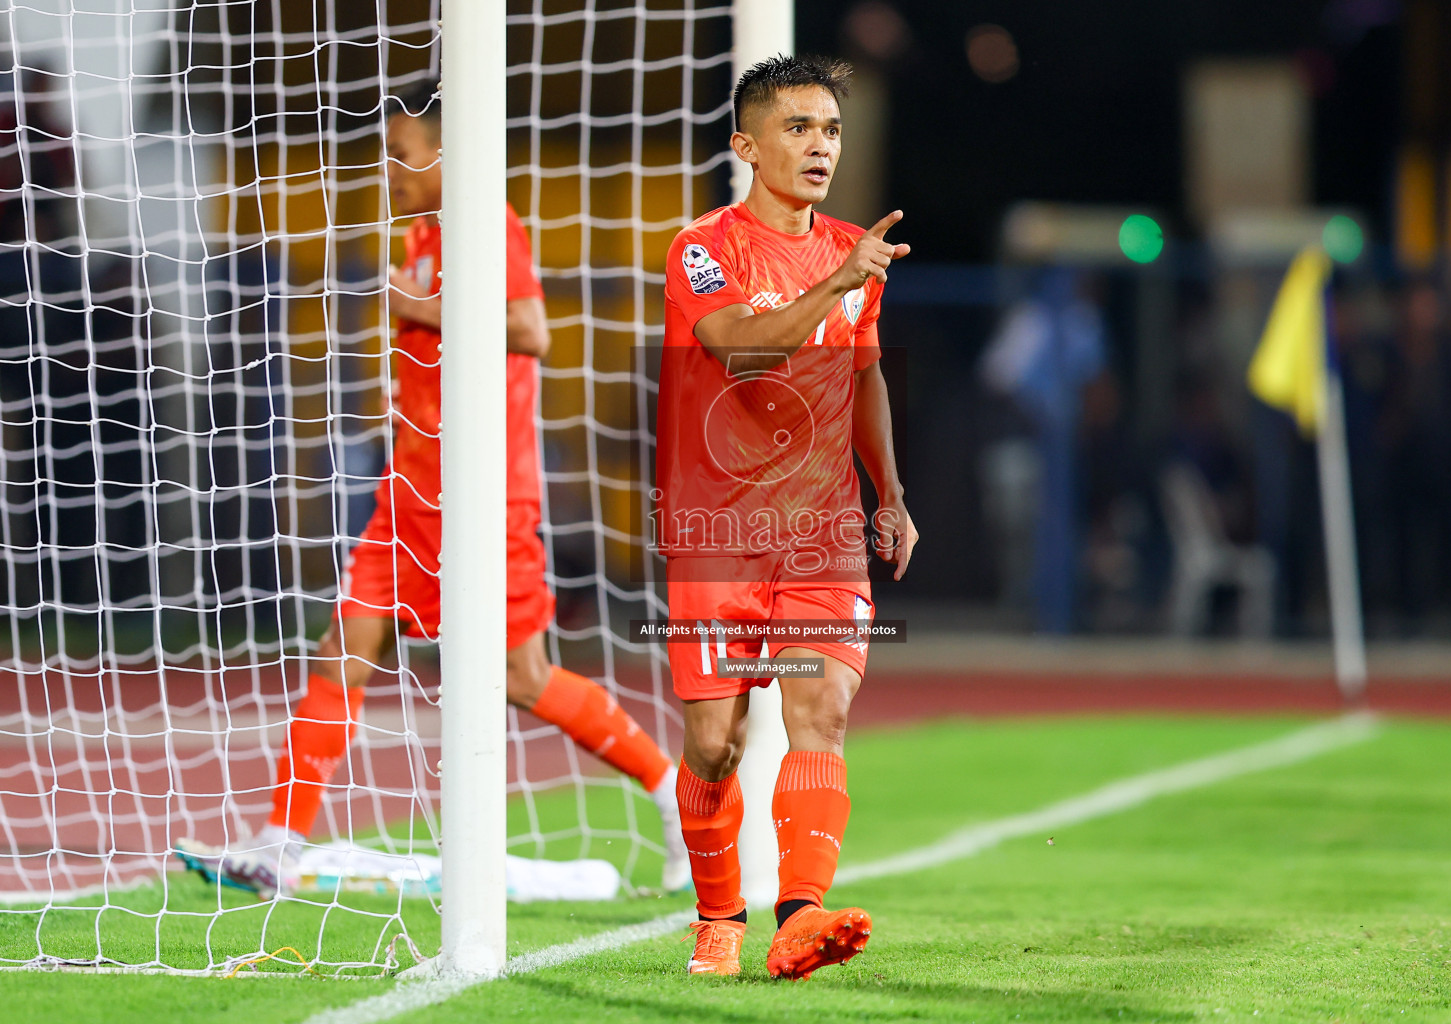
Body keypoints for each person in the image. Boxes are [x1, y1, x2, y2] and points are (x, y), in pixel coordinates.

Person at [177, 83, 688, 898]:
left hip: (486, 496)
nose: (388, 170)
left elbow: (532, 330)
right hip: (407, 487)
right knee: (344, 652)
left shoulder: (490, 224)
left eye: (402, 154)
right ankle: (281, 838)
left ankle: (674, 794)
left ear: (451, 154)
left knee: (523, 678)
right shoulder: (418, 233)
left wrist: (417, 304)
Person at [656, 54, 916, 979]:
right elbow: (735, 349)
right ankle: (717, 915)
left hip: (821, 535)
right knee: (714, 744)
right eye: (798, 128)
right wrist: (838, 284)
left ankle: (798, 917)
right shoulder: (703, 246)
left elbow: (863, 373)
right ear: (746, 145)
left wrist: (888, 494)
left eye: (832, 129)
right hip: (717, 537)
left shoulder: (855, 253)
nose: (819, 145)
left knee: (823, 710)